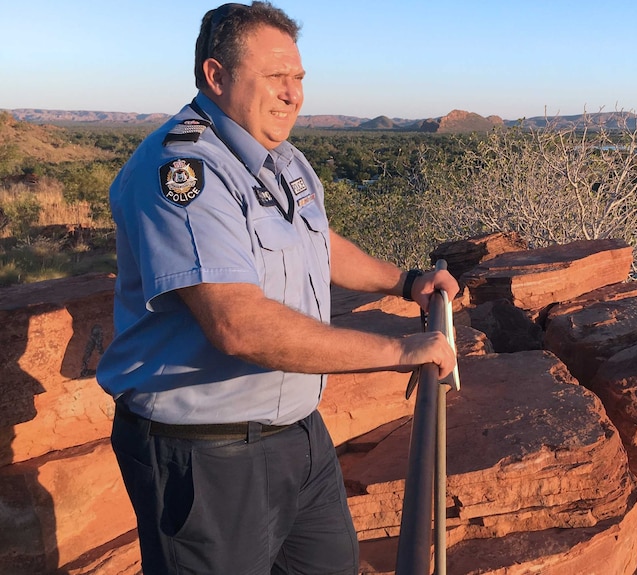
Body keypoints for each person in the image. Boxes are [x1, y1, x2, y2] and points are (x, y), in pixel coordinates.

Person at [95, 2, 458, 573]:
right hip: (206, 456)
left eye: (299, 78)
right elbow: (236, 323)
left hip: (299, 438)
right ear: (216, 77)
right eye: (275, 77)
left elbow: (321, 243)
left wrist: (405, 281)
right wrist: (398, 351)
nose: (294, 94)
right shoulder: (184, 172)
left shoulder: (282, 160)